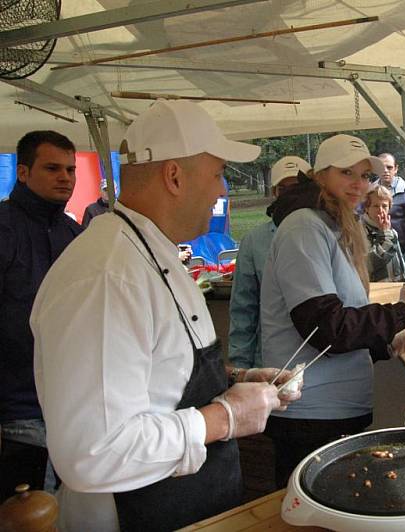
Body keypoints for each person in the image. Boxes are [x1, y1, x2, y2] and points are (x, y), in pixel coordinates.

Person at [30, 100, 300, 530]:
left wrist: (234, 381)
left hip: (190, 508)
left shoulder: (153, 253)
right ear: (174, 175)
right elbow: (94, 452)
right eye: (217, 174)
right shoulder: (106, 276)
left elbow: (158, 374)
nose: (222, 190)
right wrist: (225, 417)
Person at [260, 134, 405, 488]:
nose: (359, 184)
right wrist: (404, 309)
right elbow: (328, 327)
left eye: (365, 175)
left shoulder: (330, 225)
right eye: (346, 173)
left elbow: (341, 318)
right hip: (312, 413)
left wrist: (388, 338)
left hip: (333, 410)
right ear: (320, 176)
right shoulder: (304, 226)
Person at [0, 131, 82, 501]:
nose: (65, 177)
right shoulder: (4, 230)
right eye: (52, 168)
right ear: (22, 172)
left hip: (70, 406)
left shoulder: (74, 233)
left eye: (70, 169)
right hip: (16, 410)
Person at [228, 155, 311, 369]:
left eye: (298, 187)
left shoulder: (330, 234)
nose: (292, 195)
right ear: (274, 192)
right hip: (270, 363)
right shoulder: (254, 242)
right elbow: (243, 309)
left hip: (322, 362)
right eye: (284, 189)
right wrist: (240, 369)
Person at [361, 185, 405, 282]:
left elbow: (400, 265)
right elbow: (370, 264)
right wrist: (385, 235)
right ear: (366, 208)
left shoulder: (390, 230)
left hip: (396, 288)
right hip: (376, 290)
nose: (380, 210)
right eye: (375, 206)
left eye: (384, 206)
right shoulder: (360, 230)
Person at [376, 153, 405, 265]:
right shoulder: (369, 192)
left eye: (389, 167)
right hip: (377, 249)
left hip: (402, 249)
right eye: (382, 167)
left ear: (396, 169)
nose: (385, 170)